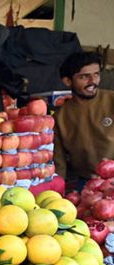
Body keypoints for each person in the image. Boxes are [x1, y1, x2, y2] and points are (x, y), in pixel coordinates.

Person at [54, 51, 114, 181]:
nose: (93, 81)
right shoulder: (60, 116)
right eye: (84, 77)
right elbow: (59, 161)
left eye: (96, 74)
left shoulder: (112, 100)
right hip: (85, 183)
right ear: (67, 81)